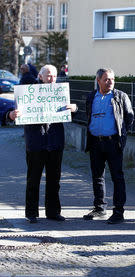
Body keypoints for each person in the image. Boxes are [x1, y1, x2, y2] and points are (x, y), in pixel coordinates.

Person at [6, 64, 77, 223]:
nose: (51, 79)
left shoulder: (60, 92)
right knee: (33, 179)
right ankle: (31, 213)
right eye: (48, 75)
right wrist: (11, 114)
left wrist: (73, 108)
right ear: (40, 76)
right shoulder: (28, 92)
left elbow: (75, 110)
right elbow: (10, 113)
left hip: (55, 142)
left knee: (54, 180)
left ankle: (53, 212)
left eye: (53, 76)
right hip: (36, 142)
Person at [83, 68, 134, 224]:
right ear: (98, 81)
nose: (110, 82)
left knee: (117, 177)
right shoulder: (92, 96)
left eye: (112, 79)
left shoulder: (120, 96)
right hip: (95, 142)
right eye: (106, 79)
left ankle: (118, 211)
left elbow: (129, 118)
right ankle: (99, 207)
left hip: (113, 142)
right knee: (97, 177)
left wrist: (121, 137)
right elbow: (88, 115)